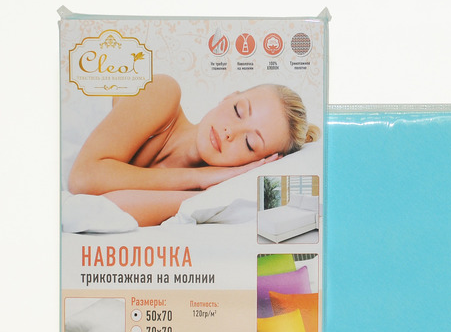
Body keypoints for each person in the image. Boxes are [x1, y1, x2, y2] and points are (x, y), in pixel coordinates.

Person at [68, 75, 319, 226]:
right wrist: (197, 177)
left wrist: (205, 193)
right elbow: (82, 180)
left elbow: (103, 209)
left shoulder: (200, 196)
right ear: (229, 96)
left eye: (249, 143)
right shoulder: (163, 93)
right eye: (238, 111)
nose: (229, 132)